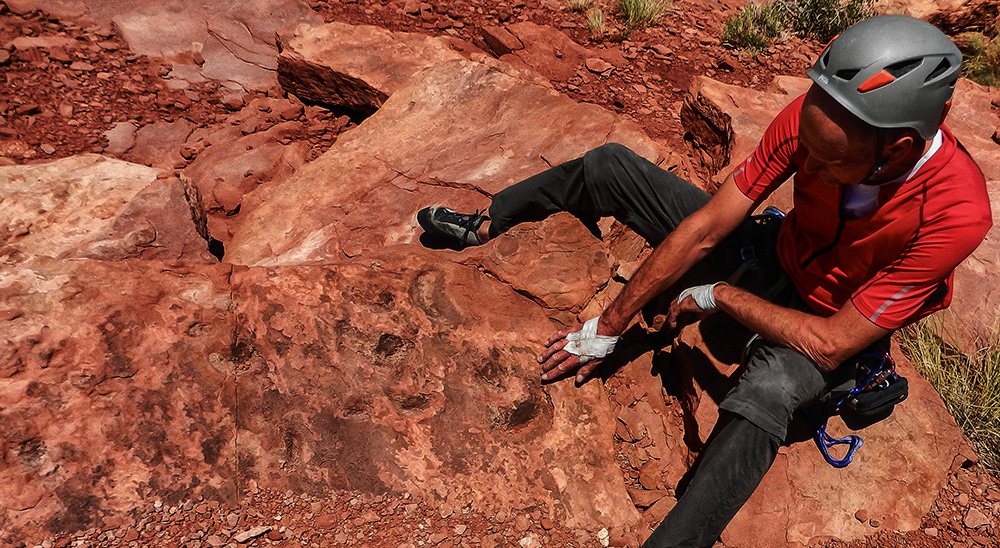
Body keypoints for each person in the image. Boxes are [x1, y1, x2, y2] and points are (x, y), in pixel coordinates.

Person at [417, 15, 992, 548]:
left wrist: (717, 295)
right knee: (608, 166)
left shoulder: (955, 212)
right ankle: (487, 223)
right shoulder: (818, 118)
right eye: (808, 151)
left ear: (898, 148)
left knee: (766, 395)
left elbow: (832, 342)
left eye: (827, 162)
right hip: (772, 253)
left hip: (826, 317)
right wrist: (609, 325)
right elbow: (712, 224)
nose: (809, 166)